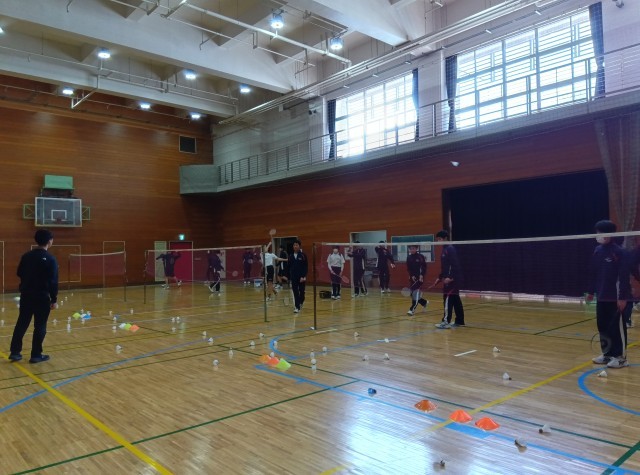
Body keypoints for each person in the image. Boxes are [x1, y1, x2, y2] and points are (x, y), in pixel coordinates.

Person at [9, 229, 58, 363]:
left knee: (22, 323)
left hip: (26, 295)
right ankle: (36, 355)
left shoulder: (26, 256)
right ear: (49, 241)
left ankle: (15, 352)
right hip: (42, 297)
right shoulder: (51, 259)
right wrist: (54, 299)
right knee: (40, 325)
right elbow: (53, 281)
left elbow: (19, 273)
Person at [587, 220, 631, 368]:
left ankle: (621, 358)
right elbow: (593, 273)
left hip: (615, 297)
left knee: (616, 328)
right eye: (597, 232)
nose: (598, 235)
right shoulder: (597, 250)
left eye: (601, 233)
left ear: (610, 234)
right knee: (603, 327)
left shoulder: (619, 252)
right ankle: (607, 354)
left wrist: (622, 297)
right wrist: (591, 291)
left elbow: (623, 276)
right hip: (601, 296)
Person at [433, 230, 465, 329]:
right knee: (455, 300)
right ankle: (460, 321)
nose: (438, 241)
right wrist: (439, 277)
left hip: (452, 281)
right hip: (448, 279)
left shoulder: (450, 249)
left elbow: (455, 265)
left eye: (440, 239)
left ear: (445, 238)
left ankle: (446, 321)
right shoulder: (444, 249)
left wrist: (451, 277)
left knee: (447, 299)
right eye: (437, 239)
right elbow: (445, 267)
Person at [406, 244, 428, 316]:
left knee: (415, 294)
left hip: (419, 278)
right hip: (412, 278)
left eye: (413, 248)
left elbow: (424, 267)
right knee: (412, 294)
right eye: (410, 249)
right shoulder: (408, 257)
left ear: (416, 249)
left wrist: (421, 275)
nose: (412, 250)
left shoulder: (420, 257)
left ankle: (412, 310)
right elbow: (408, 268)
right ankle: (424, 302)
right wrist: (411, 275)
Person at [288, 239, 308, 313]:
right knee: (295, 292)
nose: (295, 246)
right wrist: (289, 276)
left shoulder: (303, 255)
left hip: (301, 277)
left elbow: (305, 267)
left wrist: (303, 276)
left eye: (296, 245)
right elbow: (289, 266)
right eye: (294, 245)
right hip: (294, 277)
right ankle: (297, 307)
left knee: (302, 292)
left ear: (299, 246)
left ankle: (301, 301)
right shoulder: (290, 256)